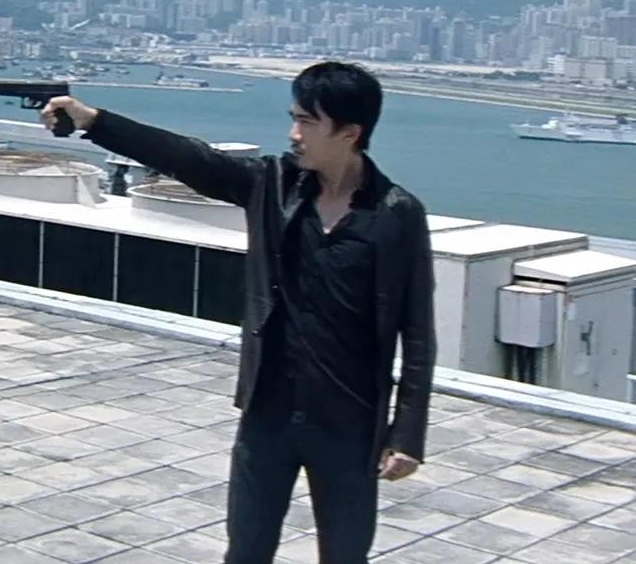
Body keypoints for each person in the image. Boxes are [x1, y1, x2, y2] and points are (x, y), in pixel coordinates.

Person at [43, 61, 436, 564]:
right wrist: (94, 120)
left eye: (307, 122)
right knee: (246, 551)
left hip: (350, 423)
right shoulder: (272, 185)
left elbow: (417, 330)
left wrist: (407, 434)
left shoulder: (396, 213)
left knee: (345, 554)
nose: (294, 134)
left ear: (349, 132)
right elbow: (190, 158)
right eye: (294, 119)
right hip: (268, 414)